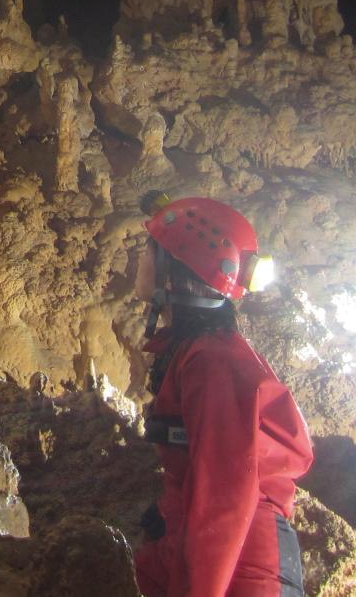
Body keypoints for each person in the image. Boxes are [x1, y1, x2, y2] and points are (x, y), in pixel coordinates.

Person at [132, 194, 314, 597]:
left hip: (245, 568)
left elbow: (225, 498)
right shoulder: (196, 350)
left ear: (172, 271)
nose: (139, 260)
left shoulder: (213, 361)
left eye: (147, 250)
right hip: (216, 554)